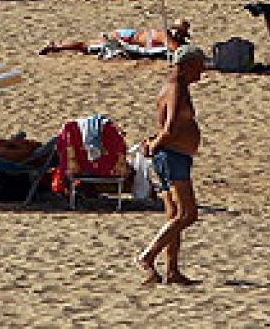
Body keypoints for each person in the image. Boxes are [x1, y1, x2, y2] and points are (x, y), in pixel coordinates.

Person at [137, 45, 206, 286]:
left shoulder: (176, 86)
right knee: (188, 214)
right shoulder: (176, 88)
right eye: (199, 66)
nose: (203, 71)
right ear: (187, 66)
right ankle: (147, 256)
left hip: (173, 155)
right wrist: (156, 144)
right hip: (172, 156)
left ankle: (172, 271)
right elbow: (170, 128)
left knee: (174, 216)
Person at [41, 20, 192, 55]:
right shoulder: (164, 35)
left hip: (129, 34)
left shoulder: (165, 34)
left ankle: (56, 45)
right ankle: (55, 46)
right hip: (124, 39)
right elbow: (177, 50)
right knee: (85, 46)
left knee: (86, 44)